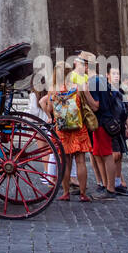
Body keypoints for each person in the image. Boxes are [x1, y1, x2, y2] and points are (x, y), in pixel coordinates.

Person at [42, 70, 97, 202]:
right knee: (81, 162)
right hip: (78, 129)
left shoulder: (53, 89)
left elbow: (49, 109)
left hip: (62, 129)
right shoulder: (79, 87)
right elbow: (92, 106)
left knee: (65, 162)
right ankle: (83, 194)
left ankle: (66, 192)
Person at [87, 64, 128, 197]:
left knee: (111, 155)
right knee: (104, 155)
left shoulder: (98, 84)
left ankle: (111, 187)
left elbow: (97, 106)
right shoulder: (105, 85)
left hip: (107, 123)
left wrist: (84, 93)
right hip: (112, 123)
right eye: (114, 73)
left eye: (117, 73)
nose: (117, 76)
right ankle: (110, 184)